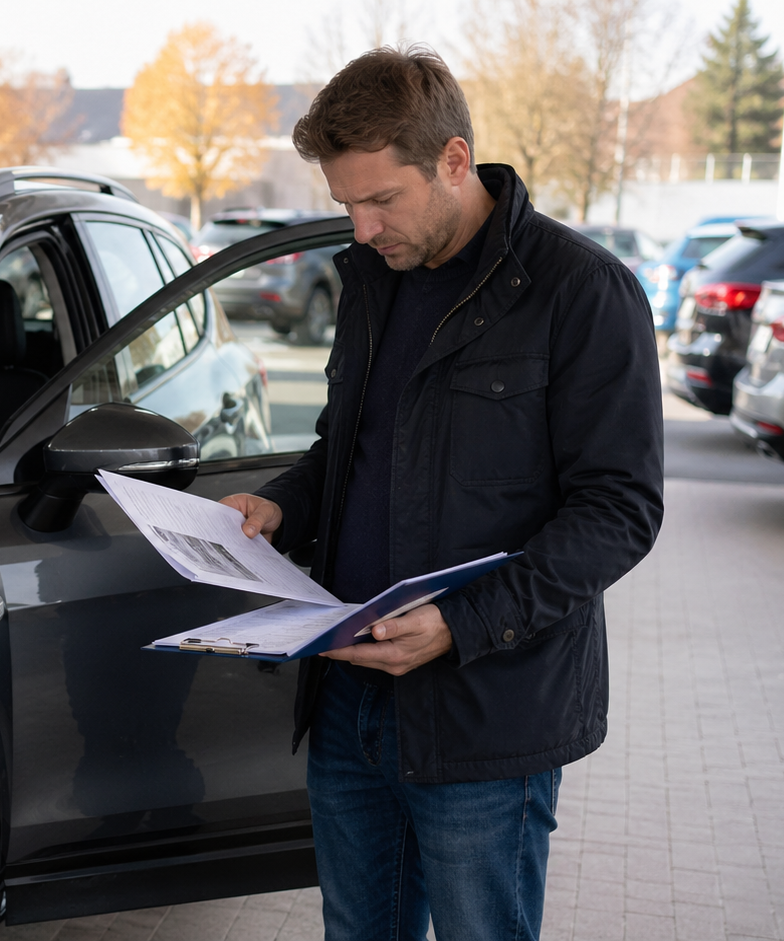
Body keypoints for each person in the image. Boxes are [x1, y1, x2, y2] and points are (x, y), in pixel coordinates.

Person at [220, 46, 663, 941]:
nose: (362, 228)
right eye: (348, 205)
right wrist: (281, 504)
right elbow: (351, 449)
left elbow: (620, 510)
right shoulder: (373, 283)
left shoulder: (581, 292)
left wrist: (464, 621)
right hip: (349, 697)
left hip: (485, 716)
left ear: (454, 161)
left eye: (382, 199)